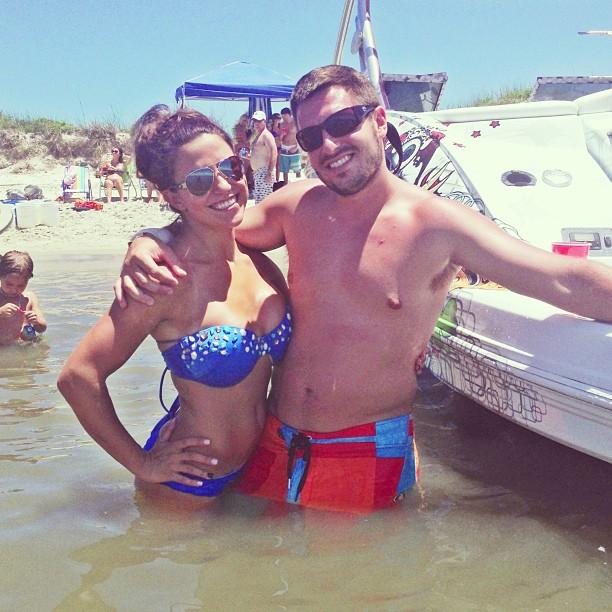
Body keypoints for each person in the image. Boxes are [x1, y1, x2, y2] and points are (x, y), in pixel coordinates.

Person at [115, 65, 612, 513]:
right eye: (311, 136)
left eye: (342, 123)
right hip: (275, 441)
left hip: (364, 444)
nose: (329, 146)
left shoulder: (438, 225)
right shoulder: (296, 207)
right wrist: (148, 239)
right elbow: (208, 228)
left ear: (378, 120)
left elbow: (560, 277)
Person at [57, 106, 292, 508]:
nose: (224, 185)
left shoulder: (260, 262)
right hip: (187, 486)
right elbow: (78, 377)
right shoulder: (163, 278)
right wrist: (144, 463)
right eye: (200, 180)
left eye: (231, 167)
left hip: (257, 471)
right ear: (172, 196)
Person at [0, 250, 47, 346]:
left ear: (28, 280)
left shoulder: (30, 298)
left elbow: (42, 328)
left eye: (21, 285)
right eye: (9, 284)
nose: (14, 289)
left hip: (27, 345)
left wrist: (36, 322)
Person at [249, 110, 277, 204]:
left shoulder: (267, 135)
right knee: (260, 202)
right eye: (255, 121)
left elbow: (274, 153)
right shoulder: (258, 135)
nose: (256, 123)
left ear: (264, 121)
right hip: (258, 173)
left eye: (259, 121)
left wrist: (269, 172)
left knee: (266, 202)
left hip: (264, 172)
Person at [232, 113, 254, 195]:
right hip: (241, 149)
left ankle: (248, 188)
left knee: (248, 169)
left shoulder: (248, 130)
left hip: (245, 149)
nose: (245, 122)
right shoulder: (238, 129)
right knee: (243, 169)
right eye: (244, 120)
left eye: (247, 121)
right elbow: (239, 140)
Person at [278, 107, 302, 183]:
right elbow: (280, 139)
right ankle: (286, 185)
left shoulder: (295, 122)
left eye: (285, 116)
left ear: (289, 115)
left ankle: (299, 185)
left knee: (297, 170)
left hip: (294, 147)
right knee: (285, 171)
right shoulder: (282, 124)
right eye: (282, 117)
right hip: (284, 148)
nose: (284, 118)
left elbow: (301, 135)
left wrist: (297, 146)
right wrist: (282, 135)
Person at [269, 112, 283, 182]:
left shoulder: (280, 128)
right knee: (271, 164)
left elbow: (281, 139)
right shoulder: (270, 128)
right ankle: (270, 179)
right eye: (277, 118)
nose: (278, 120)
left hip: (279, 147)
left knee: (278, 165)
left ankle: (277, 180)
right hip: (272, 148)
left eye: (279, 119)